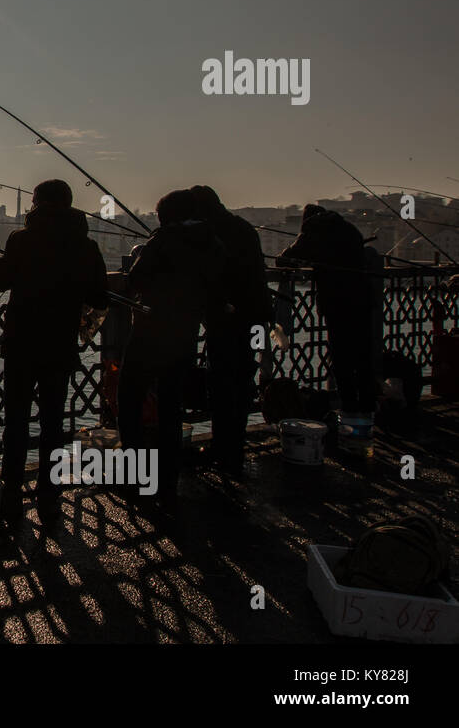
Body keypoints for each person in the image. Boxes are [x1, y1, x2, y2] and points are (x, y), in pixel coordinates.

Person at [0, 179, 108, 529]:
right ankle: (49, 497)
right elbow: (99, 296)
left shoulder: (20, 239)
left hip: (22, 342)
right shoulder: (86, 245)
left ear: (37, 204)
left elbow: (0, 282)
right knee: (53, 423)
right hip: (60, 345)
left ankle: (10, 494)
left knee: (15, 422)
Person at [118, 189, 224, 515]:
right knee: (171, 409)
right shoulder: (213, 243)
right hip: (185, 336)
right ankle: (168, 483)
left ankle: (137, 478)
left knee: (130, 401)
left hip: (151, 333)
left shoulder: (163, 240)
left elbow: (135, 279)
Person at [189, 185, 271, 475]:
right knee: (242, 380)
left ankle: (223, 449)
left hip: (226, 318)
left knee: (222, 384)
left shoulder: (207, 233)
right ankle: (234, 446)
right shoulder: (243, 227)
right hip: (254, 314)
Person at [278, 204, 375, 417]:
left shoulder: (314, 230)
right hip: (363, 300)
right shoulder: (349, 228)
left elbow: (284, 258)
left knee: (342, 358)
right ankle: (368, 406)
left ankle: (349, 407)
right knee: (363, 355)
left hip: (337, 303)